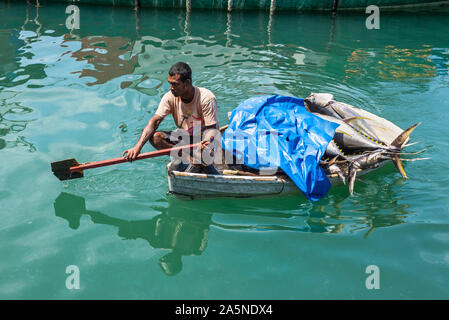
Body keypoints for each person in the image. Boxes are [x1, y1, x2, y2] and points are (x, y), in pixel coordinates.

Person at [122, 62, 220, 173]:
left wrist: (205, 144)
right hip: (187, 139)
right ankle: (191, 160)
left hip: (204, 141)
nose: (171, 88)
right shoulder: (170, 97)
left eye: (175, 84)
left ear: (187, 83)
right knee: (155, 137)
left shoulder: (206, 98)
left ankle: (199, 162)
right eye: (170, 83)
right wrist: (137, 147)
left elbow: (212, 131)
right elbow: (155, 121)